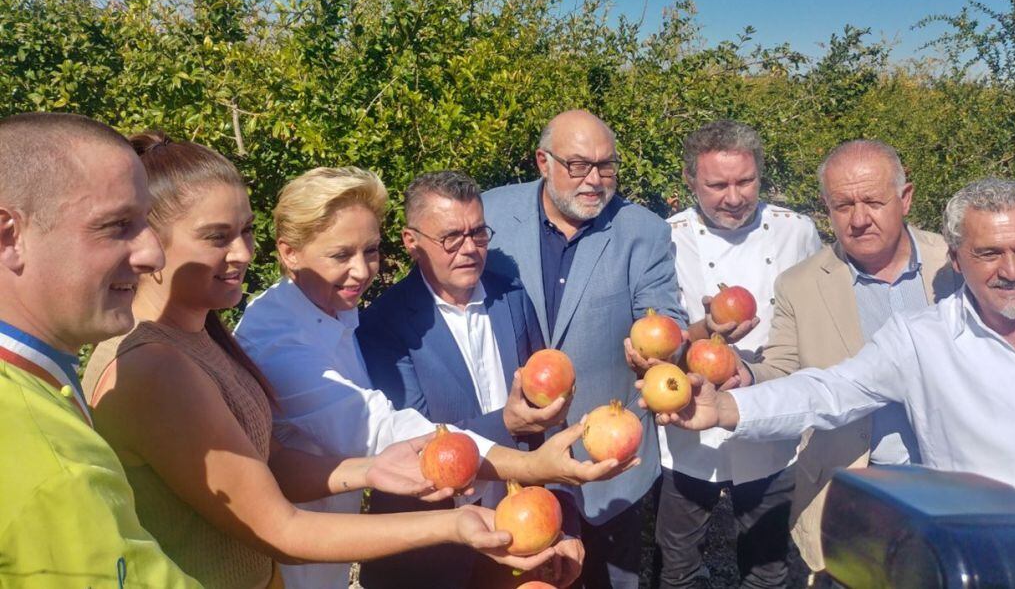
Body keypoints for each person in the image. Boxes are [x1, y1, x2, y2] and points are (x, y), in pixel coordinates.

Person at [83, 135, 563, 589]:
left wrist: (368, 472)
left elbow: (269, 461)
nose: (244, 253)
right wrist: (458, 521)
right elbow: (283, 529)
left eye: (247, 231)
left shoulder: (205, 332)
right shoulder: (160, 364)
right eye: (217, 236)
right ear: (150, 240)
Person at [236, 165, 624, 589]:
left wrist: (557, 507)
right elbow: (388, 429)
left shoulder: (340, 309)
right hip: (310, 561)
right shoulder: (293, 339)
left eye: (370, 250)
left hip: (491, 527)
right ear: (289, 253)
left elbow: (547, 412)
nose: (363, 271)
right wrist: (524, 455)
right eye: (341, 255)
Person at [651, 177, 1015, 521]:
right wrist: (727, 409)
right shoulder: (922, 338)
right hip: (976, 549)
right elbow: (828, 391)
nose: (1011, 270)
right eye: (988, 253)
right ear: (955, 258)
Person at [483, 109, 686, 588]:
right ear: (543, 161)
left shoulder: (643, 231)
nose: (594, 180)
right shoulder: (490, 215)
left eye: (606, 165)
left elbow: (665, 317)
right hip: (508, 449)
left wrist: (659, 356)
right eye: (578, 165)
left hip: (605, 459)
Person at [737, 139, 960, 575]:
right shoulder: (801, 284)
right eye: (843, 205)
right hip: (856, 484)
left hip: (948, 480)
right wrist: (742, 375)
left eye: (873, 202)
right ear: (826, 207)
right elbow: (782, 368)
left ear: (906, 198)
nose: (859, 219)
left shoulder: (954, 266)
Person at [0, 112, 200, 588]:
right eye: (116, 226)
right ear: (9, 237)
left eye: (146, 222)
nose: (153, 254)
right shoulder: (49, 459)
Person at [359, 170, 581, 588]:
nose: (469, 249)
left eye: (479, 234)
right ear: (411, 242)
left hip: (516, 526)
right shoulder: (383, 325)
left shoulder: (511, 298)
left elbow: (548, 418)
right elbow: (418, 444)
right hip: (428, 550)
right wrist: (508, 423)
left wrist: (562, 516)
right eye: (451, 238)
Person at [650, 121, 821, 589]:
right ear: (690, 182)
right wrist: (706, 329)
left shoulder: (796, 232)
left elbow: (812, 314)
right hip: (690, 424)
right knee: (677, 563)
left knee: (768, 567)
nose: (733, 197)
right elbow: (656, 335)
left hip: (769, 419)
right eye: (717, 184)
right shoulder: (665, 238)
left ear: (760, 175)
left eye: (744, 182)